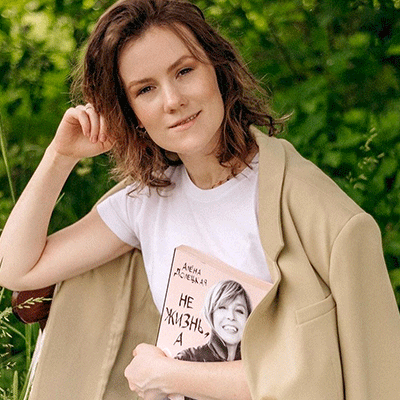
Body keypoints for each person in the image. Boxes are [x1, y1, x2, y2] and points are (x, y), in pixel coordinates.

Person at [0, 0, 399, 399]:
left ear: (218, 71)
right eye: (145, 89)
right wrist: (60, 156)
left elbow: (318, 374)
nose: (172, 100)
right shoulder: (145, 201)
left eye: (184, 71)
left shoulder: (312, 212)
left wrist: (169, 376)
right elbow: (16, 269)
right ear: (132, 114)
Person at [176, 280, 252, 363]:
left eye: (239, 310)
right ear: (211, 314)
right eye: (222, 307)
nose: (231, 317)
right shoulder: (187, 358)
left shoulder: (254, 363)